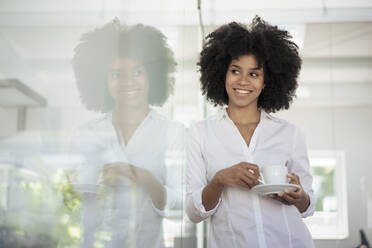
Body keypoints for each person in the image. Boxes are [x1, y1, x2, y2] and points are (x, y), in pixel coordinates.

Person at [186, 16, 315, 248]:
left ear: (267, 82)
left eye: (254, 74)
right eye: (235, 71)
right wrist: (219, 180)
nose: (243, 81)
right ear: (222, 75)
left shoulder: (290, 134)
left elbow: (307, 205)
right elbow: (195, 213)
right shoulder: (199, 133)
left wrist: (300, 197)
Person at [71, 19, 184, 248]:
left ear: (152, 75)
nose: (127, 82)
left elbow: (181, 206)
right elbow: (72, 199)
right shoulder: (87, 134)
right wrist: (92, 182)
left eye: (137, 71)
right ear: (102, 80)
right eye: (115, 74)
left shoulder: (173, 132)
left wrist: (145, 179)